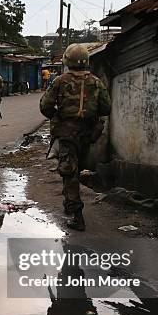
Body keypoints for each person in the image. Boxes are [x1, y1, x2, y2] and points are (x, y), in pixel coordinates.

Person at [40, 44, 111, 231]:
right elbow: (106, 108)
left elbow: (45, 106)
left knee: (69, 171)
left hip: (66, 133)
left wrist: (58, 115)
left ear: (67, 60)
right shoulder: (96, 82)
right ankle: (70, 202)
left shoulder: (59, 81)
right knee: (78, 168)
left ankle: (77, 216)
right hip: (88, 134)